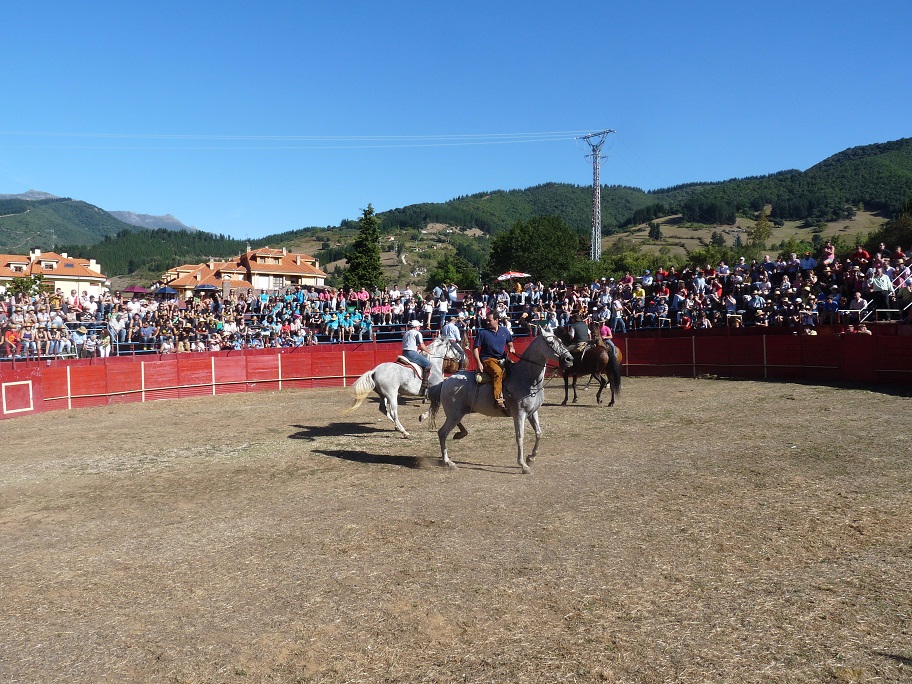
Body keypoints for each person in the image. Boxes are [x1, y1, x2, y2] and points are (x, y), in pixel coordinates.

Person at [473, 311, 516, 412]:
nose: (487, 322)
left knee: (515, 370)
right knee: (497, 372)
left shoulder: (504, 331)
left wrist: (511, 347)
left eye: (489, 320)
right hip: (488, 359)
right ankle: (498, 400)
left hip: (502, 358)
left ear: (497, 320)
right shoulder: (482, 333)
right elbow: (475, 348)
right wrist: (479, 363)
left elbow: (510, 342)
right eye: (487, 320)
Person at [402, 319, 431, 394]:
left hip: (405, 353)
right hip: (412, 353)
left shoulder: (406, 333)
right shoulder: (417, 333)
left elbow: (410, 344)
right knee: (428, 364)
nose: (419, 328)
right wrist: (429, 352)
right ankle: (424, 385)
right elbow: (422, 345)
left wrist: (417, 351)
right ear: (416, 327)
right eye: (419, 326)